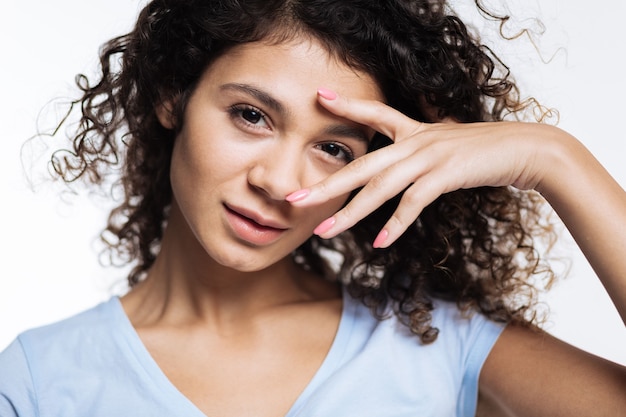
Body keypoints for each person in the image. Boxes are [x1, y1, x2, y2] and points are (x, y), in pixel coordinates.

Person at [1, 0, 625, 415]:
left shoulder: (439, 344)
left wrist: (555, 160)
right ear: (173, 95)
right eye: (251, 115)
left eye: (332, 148)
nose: (278, 180)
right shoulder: (38, 380)